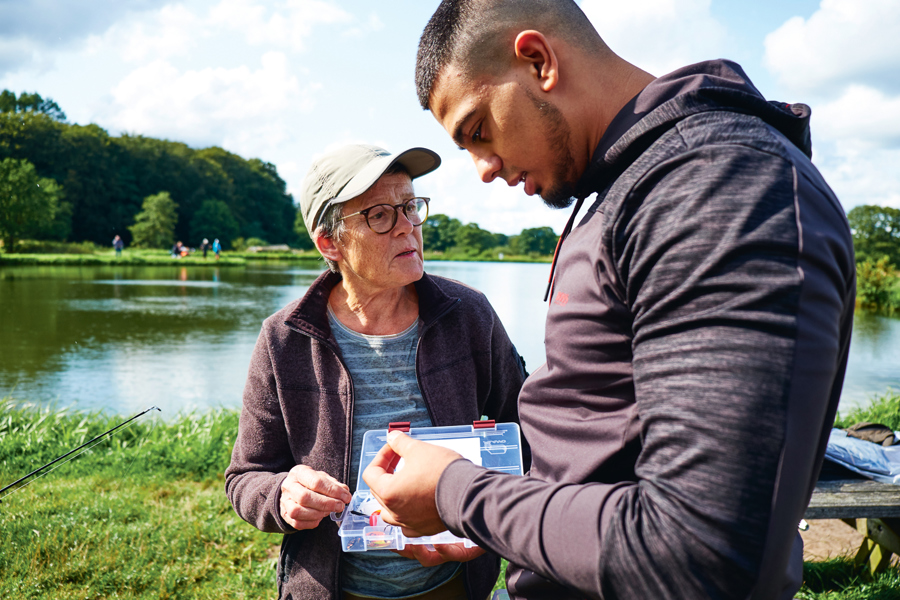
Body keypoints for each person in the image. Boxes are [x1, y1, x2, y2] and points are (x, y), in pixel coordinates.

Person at [362, 2, 857, 599]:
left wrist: (457, 492)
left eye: (477, 131)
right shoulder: (628, 188)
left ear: (538, 60)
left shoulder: (718, 188)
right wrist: (499, 525)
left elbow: (703, 553)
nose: (483, 169)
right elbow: (600, 438)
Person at [225, 143, 528, 600]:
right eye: (380, 216)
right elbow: (246, 476)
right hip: (332, 590)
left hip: (455, 584)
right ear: (330, 242)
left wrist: (487, 513)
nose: (408, 226)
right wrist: (284, 494)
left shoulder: (470, 315)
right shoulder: (283, 339)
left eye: (410, 206)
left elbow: (526, 430)